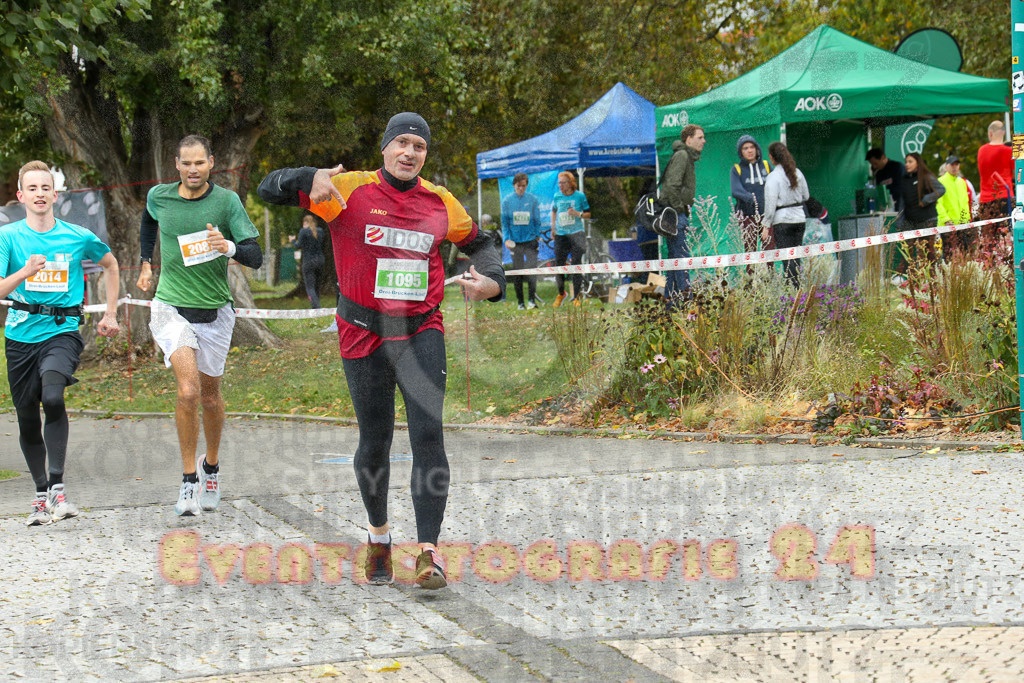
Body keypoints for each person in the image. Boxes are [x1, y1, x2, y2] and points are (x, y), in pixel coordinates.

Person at [257, 112, 505, 590]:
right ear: (386, 147)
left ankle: (429, 552)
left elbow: (483, 243)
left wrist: (492, 281)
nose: (410, 153)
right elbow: (269, 189)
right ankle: (379, 537)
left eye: (419, 146)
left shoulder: (440, 202)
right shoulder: (347, 189)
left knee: (428, 434)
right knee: (375, 440)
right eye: (402, 143)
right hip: (362, 330)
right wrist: (307, 178)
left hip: (420, 329)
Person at [136, 135, 263, 517]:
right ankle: (189, 480)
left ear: (212, 163)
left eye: (200, 163)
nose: (193, 170)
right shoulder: (160, 196)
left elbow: (255, 255)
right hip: (170, 306)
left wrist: (228, 247)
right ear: (176, 163)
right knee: (188, 391)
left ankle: (212, 467)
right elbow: (148, 220)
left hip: (215, 311)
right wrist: (146, 261)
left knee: (210, 396)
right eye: (186, 163)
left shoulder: (227, 202)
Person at [1, 161, 121, 526]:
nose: (40, 194)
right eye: (32, 188)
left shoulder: (77, 235)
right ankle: (40, 495)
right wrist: (25, 272)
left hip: (62, 330)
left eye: (45, 187)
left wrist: (110, 314)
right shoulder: (9, 238)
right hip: (20, 334)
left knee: (52, 397)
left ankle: (58, 488)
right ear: (21, 196)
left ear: (55, 194)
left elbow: (111, 265)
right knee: (25, 418)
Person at [661, 124, 704, 300]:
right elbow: (671, 186)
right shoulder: (682, 155)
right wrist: (680, 210)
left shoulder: (687, 157)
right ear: (689, 139)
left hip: (678, 213)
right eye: (700, 137)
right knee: (681, 258)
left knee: (674, 260)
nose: (704, 141)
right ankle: (687, 301)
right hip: (676, 214)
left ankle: (671, 303)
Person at [763, 142, 809, 288]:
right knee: (796, 259)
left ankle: (793, 294)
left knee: (787, 261)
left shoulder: (773, 177)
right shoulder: (797, 173)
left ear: (771, 157)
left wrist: (765, 224)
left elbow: (770, 204)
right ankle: (798, 290)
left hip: (782, 220)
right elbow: (806, 196)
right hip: (799, 219)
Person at [730, 135, 772, 269]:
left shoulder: (766, 165)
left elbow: (776, 185)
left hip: (767, 217)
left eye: (752, 147)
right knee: (750, 254)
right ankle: (751, 287)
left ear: (757, 148)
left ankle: (770, 282)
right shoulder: (736, 169)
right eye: (745, 148)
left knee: (770, 252)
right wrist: (753, 200)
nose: (749, 150)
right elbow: (736, 190)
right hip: (747, 217)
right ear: (741, 152)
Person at [501, 173, 542, 309]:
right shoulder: (507, 201)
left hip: (530, 240)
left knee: (532, 270)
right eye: (519, 186)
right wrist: (507, 239)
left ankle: (531, 300)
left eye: (524, 186)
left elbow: (537, 220)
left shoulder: (532, 199)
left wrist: (537, 235)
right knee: (517, 272)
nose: (521, 188)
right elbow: (505, 223)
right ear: (514, 185)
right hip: (515, 242)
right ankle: (520, 303)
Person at [550, 171, 589, 306]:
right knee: (559, 265)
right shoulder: (557, 196)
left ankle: (576, 297)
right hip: (561, 235)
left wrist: (577, 213)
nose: (560, 185)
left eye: (563, 182)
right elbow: (554, 211)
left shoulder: (579, 196)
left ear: (571, 183)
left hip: (577, 233)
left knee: (576, 264)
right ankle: (561, 293)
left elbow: (588, 214)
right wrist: (553, 228)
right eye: (559, 182)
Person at [899, 152, 945, 267]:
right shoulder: (904, 180)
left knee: (927, 252)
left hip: (927, 219)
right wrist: (899, 220)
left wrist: (926, 199)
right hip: (909, 220)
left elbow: (941, 189)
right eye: (906, 162)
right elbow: (902, 202)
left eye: (910, 162)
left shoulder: (926, 176)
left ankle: (932, 277)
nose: (907, 164)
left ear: (918, 163)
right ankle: (907, 277)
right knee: (906, 251)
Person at [977, 120, 1013, 224]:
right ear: (1004, 133)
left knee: (989, 235)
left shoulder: (981, 151)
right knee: (1005, 233)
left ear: (990, 133)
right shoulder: (1008, 151)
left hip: (985, 199)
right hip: (1005, 197)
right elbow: (1018, 171)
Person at [936, 155, 972, 256]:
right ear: (946, 167)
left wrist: (967, 219)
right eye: (952, 165)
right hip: (948, 224)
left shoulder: (962, 182)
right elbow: (938, 203)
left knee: (965, 253)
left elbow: (965, 202)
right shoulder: (940, 182)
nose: (955, 167)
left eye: (957, 164)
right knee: (948, 254)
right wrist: (946, 219)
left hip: (962, 223)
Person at [289, 213, 326, 308]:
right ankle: (317, 306)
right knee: (317, 285)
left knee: (310, 286)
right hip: (320, 260)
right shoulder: (320, 231)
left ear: (305, 222)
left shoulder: (303, 231)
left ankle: (316, 307)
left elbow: (298, 246)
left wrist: (292, 240)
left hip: (308, 261)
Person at [865, 148, 906, 215]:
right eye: (872, 164)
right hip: (887, 209)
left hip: (901, 207)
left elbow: (903, 189)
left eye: (876, 163)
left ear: (883, 157)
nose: (874, 166)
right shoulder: (879, 174)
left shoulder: (897, 167)